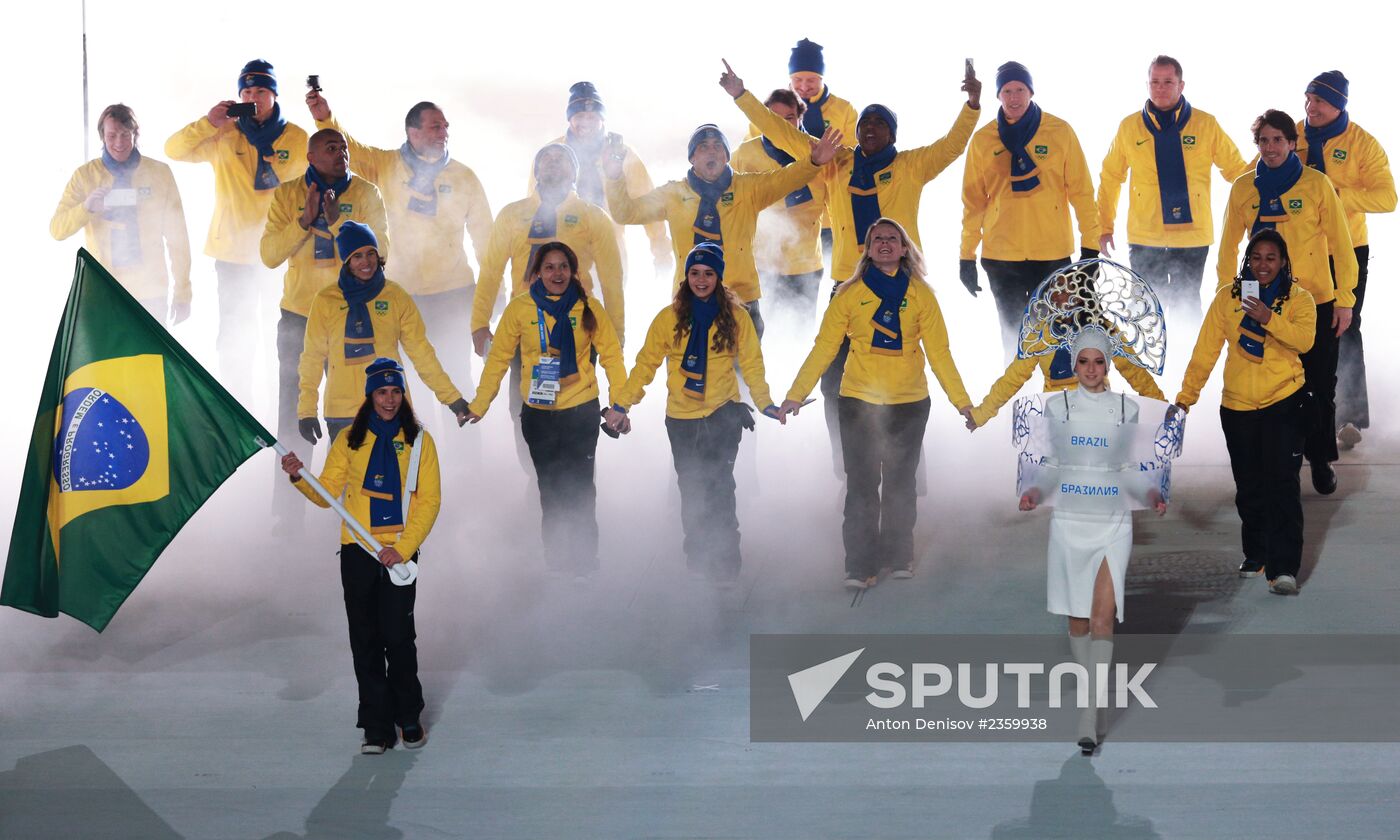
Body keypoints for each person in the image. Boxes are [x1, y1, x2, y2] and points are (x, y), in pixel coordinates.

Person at [722, 58, 979, 470]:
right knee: (834, 381)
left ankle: (908, 471)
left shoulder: (910, 166)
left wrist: (971, 106)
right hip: (848, 284)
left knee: (902, 384)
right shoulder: (837, 163)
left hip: (902, 284)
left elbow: (951, 146)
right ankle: (847, 465)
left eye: (879, 125)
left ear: (892, 133)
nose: (870, 130)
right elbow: (784, 135)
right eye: (865, 126)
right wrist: (741, 96)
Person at [778, 219, 974, 589]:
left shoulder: (922, 296)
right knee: (862, 485)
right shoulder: (849, 295)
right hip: (858, 402)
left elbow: (940, 354)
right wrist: (795, 393)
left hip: (909, 403)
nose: (884, 243)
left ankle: (898, 556)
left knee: (901, 484)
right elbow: (824, 348)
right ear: (867, 250)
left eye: (892, 239)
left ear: (904, 249)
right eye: (877, 239)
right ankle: (859, 565)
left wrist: (962, 403)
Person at [307, 91, 493, 439]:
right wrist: (324, 118)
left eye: (445, 127)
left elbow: (487, 240)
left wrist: (493, 294)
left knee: (456, 377)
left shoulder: (464, 176)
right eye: (435, 127)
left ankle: (467, 468)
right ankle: (421, 466)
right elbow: (354, 151)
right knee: (407, 386)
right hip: (400, 295)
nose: (443, 133)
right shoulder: (388, 165)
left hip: (453, 294)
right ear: (413, 132)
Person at [1017, 327, 1167, 753]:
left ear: (1108, 364)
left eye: (1098, 361)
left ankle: (1088, 709)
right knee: (1077, 620)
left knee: (1102, 617)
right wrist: (1033, 492)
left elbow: (1133, 467)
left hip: (1112, 520)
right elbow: (1049, 465)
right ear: (1073, 363)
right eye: (1083, 361)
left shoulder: (1126, 409)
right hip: (1068, 519)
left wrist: (1152, 493)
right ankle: (1093, 696)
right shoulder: (1055, 405)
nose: (1091, 370)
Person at [279, 356, 440, 754]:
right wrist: (300, 477)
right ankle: (376, 727)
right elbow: (326, 495)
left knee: (399, 638)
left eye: (396, 391)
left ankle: (408, 717)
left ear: (404, 394)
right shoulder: (349, 439)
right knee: (365, 639)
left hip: (399, 552)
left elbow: (429, 501)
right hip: (357, 552)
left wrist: (401, 550)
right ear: (369, 395)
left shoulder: (420, 440)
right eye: (382, 392)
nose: (389, 399)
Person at [610, 243, 781, 585]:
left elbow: (752, 365)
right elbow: (646, 365)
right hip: (682, 419)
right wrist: (621, 405)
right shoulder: (668, 318)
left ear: (718, 278)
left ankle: (727, 566)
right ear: (685, 277)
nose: (701, 280)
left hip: (723, 414)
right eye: (694, 273)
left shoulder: (737, 317)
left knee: (719, 488)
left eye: (708, 273)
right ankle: (699, 559)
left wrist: (765, 404)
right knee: (690, 489)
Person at [465, 242, 628, 579]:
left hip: (581, 410)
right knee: (550, 489)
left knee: (581, 487)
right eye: (550, 267)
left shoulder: (588, 309)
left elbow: (612, 357)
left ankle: (584, 563)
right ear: (536, 273)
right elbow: (497, 361)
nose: (557, 274)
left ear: (573, 272)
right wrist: (480, 404)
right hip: (538, 416)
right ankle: (557, 562)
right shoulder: (519, 310)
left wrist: (620, 405)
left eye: (564, 267)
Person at [1217, 109, 1356, 495]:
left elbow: (1343, 247)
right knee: (1273, 386)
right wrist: (1229, 296)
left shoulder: (1317, 184)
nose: (1271, 147)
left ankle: (1321, 458)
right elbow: (1228, 247)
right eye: (1264, 140)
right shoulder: (1243, 188)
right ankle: (1283, 462)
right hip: (1259, 300)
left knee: (1319, 384)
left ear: (1293, 143)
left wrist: (1344, 300)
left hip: (1316, 301)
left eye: (1279, 139)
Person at [603, 113, 841, 339]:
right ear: (692, 158)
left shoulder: (747, 188)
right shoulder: (674, 194)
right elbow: (626, 213)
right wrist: (614, 177)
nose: (711, 152)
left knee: (743, 379)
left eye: (718, 146)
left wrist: (814, 162)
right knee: (687, 378)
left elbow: (786, 178)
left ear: (727, 156)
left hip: (741, 301)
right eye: (703, 147)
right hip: (688, 301)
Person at [260, 128, 388, 528]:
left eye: (345, 148)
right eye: (332, 148)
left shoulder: (366, 194)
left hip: (351, 316)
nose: (341, 154)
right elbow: (268, 255)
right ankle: (288, 513)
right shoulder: (287, 194)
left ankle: (356, 511)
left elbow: (381, 256)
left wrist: (336, 225)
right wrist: (303, 220)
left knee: (351, 414)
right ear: (311, 156)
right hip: (299, 318)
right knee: (294, 416)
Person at [1178, 230, 1316, 594]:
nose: (1263, 264)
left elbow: (1304, 341)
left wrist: (1269, 318)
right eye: (1256, 257)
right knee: (1249, 486)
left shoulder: (1299, 299)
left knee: (1283, 485)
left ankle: (1283, 568)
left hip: (1284, 401)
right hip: (1237, 407)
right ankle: (1256, 552)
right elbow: (1205, 351)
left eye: (1271, 257)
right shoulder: (1229, 298)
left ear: (1283, 261)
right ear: (1247, 261)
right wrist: (1185, 397)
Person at [473, 144, 624, 471]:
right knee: (523, 408)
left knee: (578, 405)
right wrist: (479, 322)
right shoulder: (513, 214)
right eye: (545, 159)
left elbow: (612, 278)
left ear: (574, 172)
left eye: (562, 160)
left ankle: (579, 481)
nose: (553, 164)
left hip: (578, 327)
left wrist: (618, 333)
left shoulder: (591, 216)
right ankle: (537, 477)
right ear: (536, 171)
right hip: (523, 328)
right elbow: (490, 271)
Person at [165, 59, 308, 398]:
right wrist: (209, 122)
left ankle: (282, 408)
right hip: (232, 254)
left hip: (280, 254)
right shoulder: (223, 133)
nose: (253, 97)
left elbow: (312, 185)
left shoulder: (297, 138)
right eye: (246, 91)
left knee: (283, 339)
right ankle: (238, 409)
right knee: (233, 339)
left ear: (274, 94)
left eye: (260, 90)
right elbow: (173, 149)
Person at [960, 61, 1100, 359]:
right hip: (1001, 258)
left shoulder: (1059, 131)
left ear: (1031, 91)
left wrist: (1090, 250)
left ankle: (1056, 398)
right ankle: (1019, 400)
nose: (1014, 98)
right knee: (1013, 337)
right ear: (998, 95)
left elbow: (1083, 194)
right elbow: (973, 203)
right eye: (1007, 91)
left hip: (1052, 256)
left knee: (1057, 335)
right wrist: (966, 256)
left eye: (1020, 90)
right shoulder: (983, 140)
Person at [1096, 55, 1249, 322]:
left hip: (1192, 236)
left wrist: (1263, 199)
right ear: (1147, 84)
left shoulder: (1205, 124)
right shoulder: (1129, 127)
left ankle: (1188, 359)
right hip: (1145, 235)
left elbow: (1237, 171)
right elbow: (1110, 177)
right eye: (1155, 81)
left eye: (1168, 81)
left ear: (1181, 85)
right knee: (1143, 307)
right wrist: (1104, 225)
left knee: (1187, 306)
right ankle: (1145, 363)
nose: (1161, 87)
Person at [1294, 71, 1396, 450]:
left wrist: (1335, 194)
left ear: (1338, 104)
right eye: (1307, 98)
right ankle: (1302, 415)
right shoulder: (1293, 136)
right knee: (1299, 330)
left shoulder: (1362, 144)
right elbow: (1259, 171)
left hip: (1347, 249)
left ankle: (1348, 419)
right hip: (1300, 247)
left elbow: (1388, 198)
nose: (1310, 107)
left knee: (1344, 328)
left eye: (1319, 100)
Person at [298, 221, 470, 446]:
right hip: (344, 412)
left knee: (397, 480)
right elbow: (311, 359)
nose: (366, 262)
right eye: (357, 256)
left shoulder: (396, 296)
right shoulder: (325, 301)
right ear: (347, 260)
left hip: (392, 407)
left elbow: (422, 353)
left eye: (371, 253)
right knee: (348, 481)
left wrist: (452, 399)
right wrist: (306, 411)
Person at [51, 103, 193, 323]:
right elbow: (57, 230)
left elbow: (178, 239)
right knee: (109, 358)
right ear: (102, 136)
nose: (119, 143)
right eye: (112, 135)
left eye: (125, 135)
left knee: (150, 359)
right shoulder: (85, 176)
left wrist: (183, 293)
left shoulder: (159, 173)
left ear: (135, 135)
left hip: (151, 292)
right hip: (104, 291)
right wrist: (86, 208)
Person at [526, 82, 672, 279]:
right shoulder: (550, 154)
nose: (585, 122)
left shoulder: (624, 155)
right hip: (559, 259)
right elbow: (531, 209)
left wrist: (662, 256)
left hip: (610, 255)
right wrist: (529, 260)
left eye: (592, 116)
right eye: (579, 116)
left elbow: (650, 207)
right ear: (570, 119)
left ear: (602, 119)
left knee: (609, 309)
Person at [730, 90, 829, 337]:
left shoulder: (819, 151)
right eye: (772, 117)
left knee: (798, 337)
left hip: (806, 263)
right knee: (755, 338)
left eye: (789, 118)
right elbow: (728, 200)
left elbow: (836, 201)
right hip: (761, 263)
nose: (780, 125)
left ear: (800, 118)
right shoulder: (745, 153)